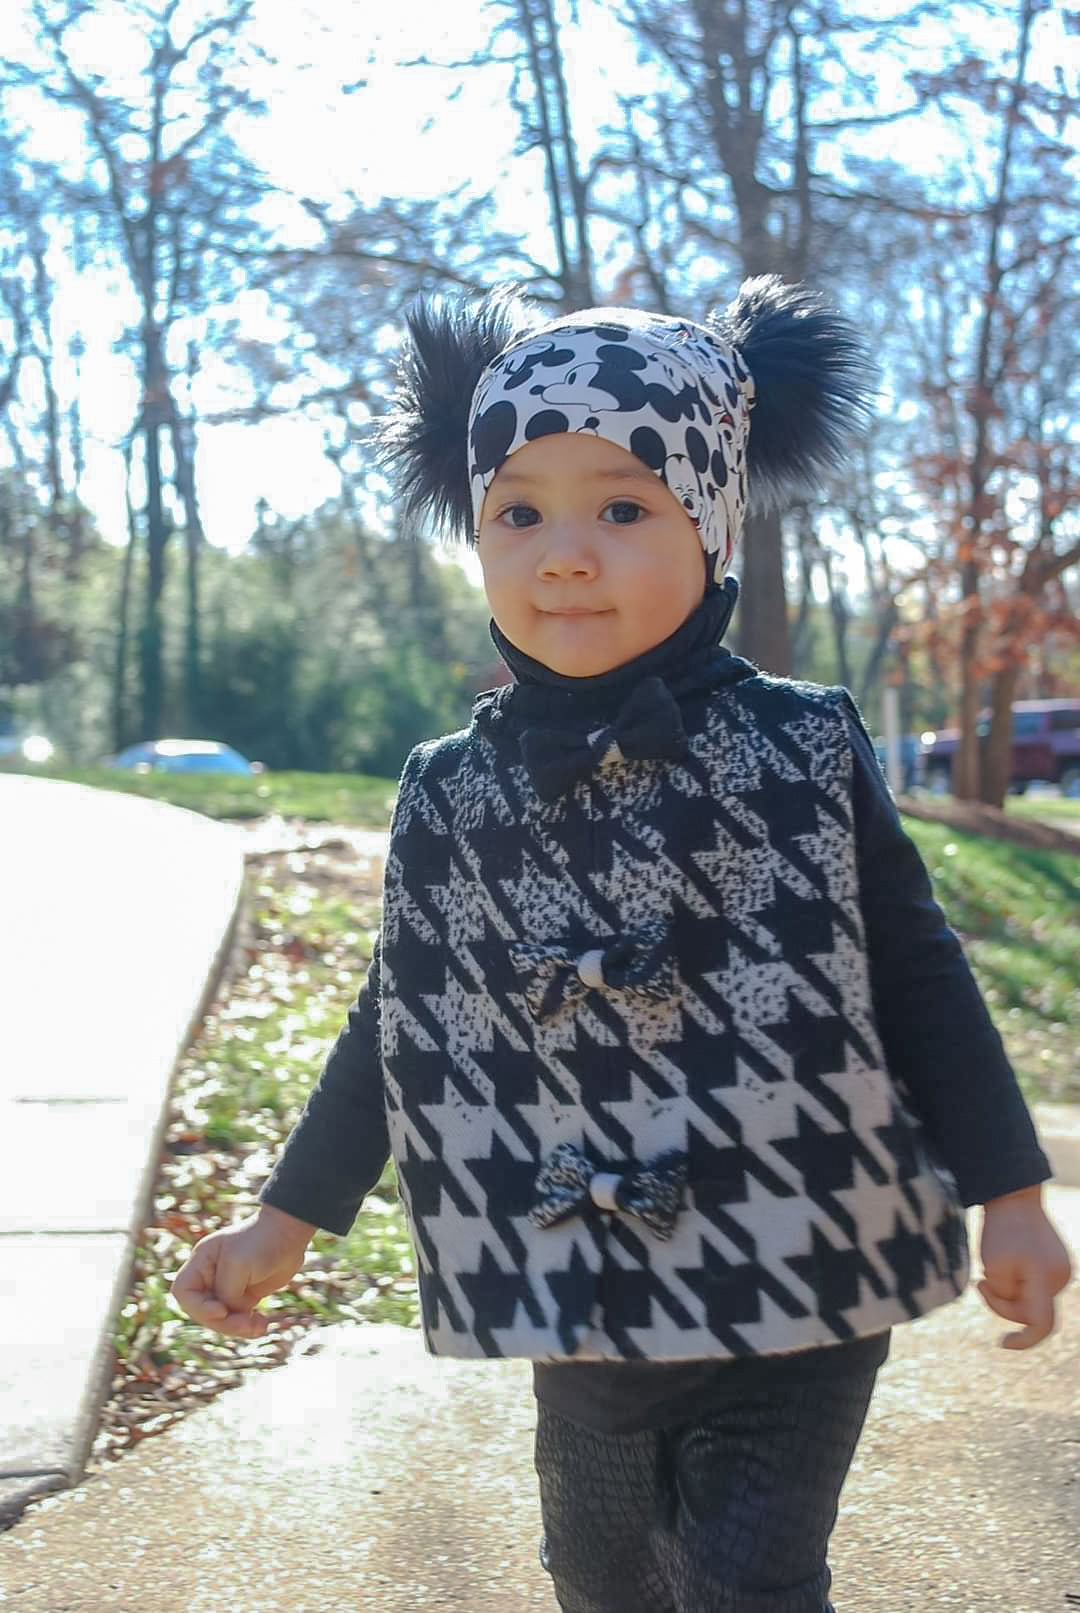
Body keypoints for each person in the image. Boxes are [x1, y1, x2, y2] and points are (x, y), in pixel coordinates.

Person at [172, 277, 1072, 1613]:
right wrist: (287, 1216)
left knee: (745, 1579)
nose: (565, 553)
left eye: (624, 505)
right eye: (518, 510)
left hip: (800, 1262)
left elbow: (919, 966)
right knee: (598, 1574)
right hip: (574, 1281)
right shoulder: (447, 791)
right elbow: (397, 1017)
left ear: (711, 522)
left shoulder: (805, 748)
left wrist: (1010, 1186)